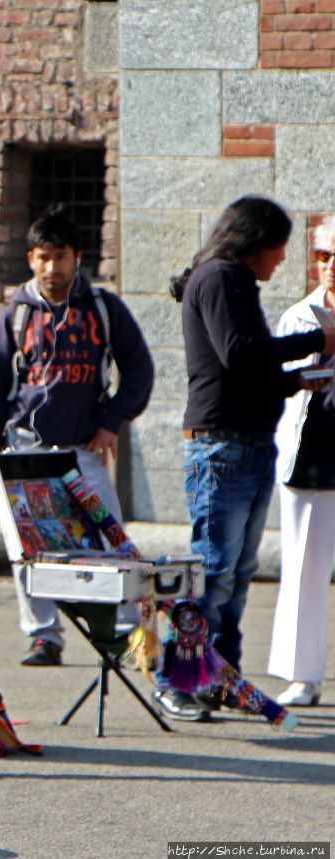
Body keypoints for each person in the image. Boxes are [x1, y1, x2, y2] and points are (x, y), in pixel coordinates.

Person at [163, 196, 335, 722]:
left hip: (249, 443)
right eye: (280, 248)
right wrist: (318, 340)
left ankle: (220, 676)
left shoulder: (236, 283)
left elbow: (246, 369)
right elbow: (238, 352)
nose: (282, 260)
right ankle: (178, 679)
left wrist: (294, 380)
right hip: (221, 446)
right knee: (212, 572)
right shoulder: (217, 278)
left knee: (236, 574)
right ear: (257, 242)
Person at [0, 207, 155, 667]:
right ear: (30, 259)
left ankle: (123, 633)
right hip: (25, 449)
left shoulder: (102, 307)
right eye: (44, 257)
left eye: (61, 257)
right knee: (28, 549)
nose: (52, 268)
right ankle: (44, 635)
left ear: (77, 257)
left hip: (84, 450)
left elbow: (138, 369)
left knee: (109, 538)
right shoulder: (16, 315)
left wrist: (113, 420)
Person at [267, 215, 335, 707]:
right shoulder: (299, 317)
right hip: (313, 454)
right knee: (304, 566)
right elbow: (285, 384)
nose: (330, 266)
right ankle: (301, 675)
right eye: (324, 255)